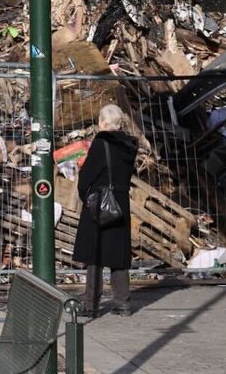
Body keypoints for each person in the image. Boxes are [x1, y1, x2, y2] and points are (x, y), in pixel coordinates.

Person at [73, 103, 137, 318]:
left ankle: (91, 304)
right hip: (120, 201)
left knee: (95, 254)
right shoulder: (130, 144)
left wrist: (85, 196)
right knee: (118, 253)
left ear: (103, 122)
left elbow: (87, 176)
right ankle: (123, 303)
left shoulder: (101, 143)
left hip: (100, 201)